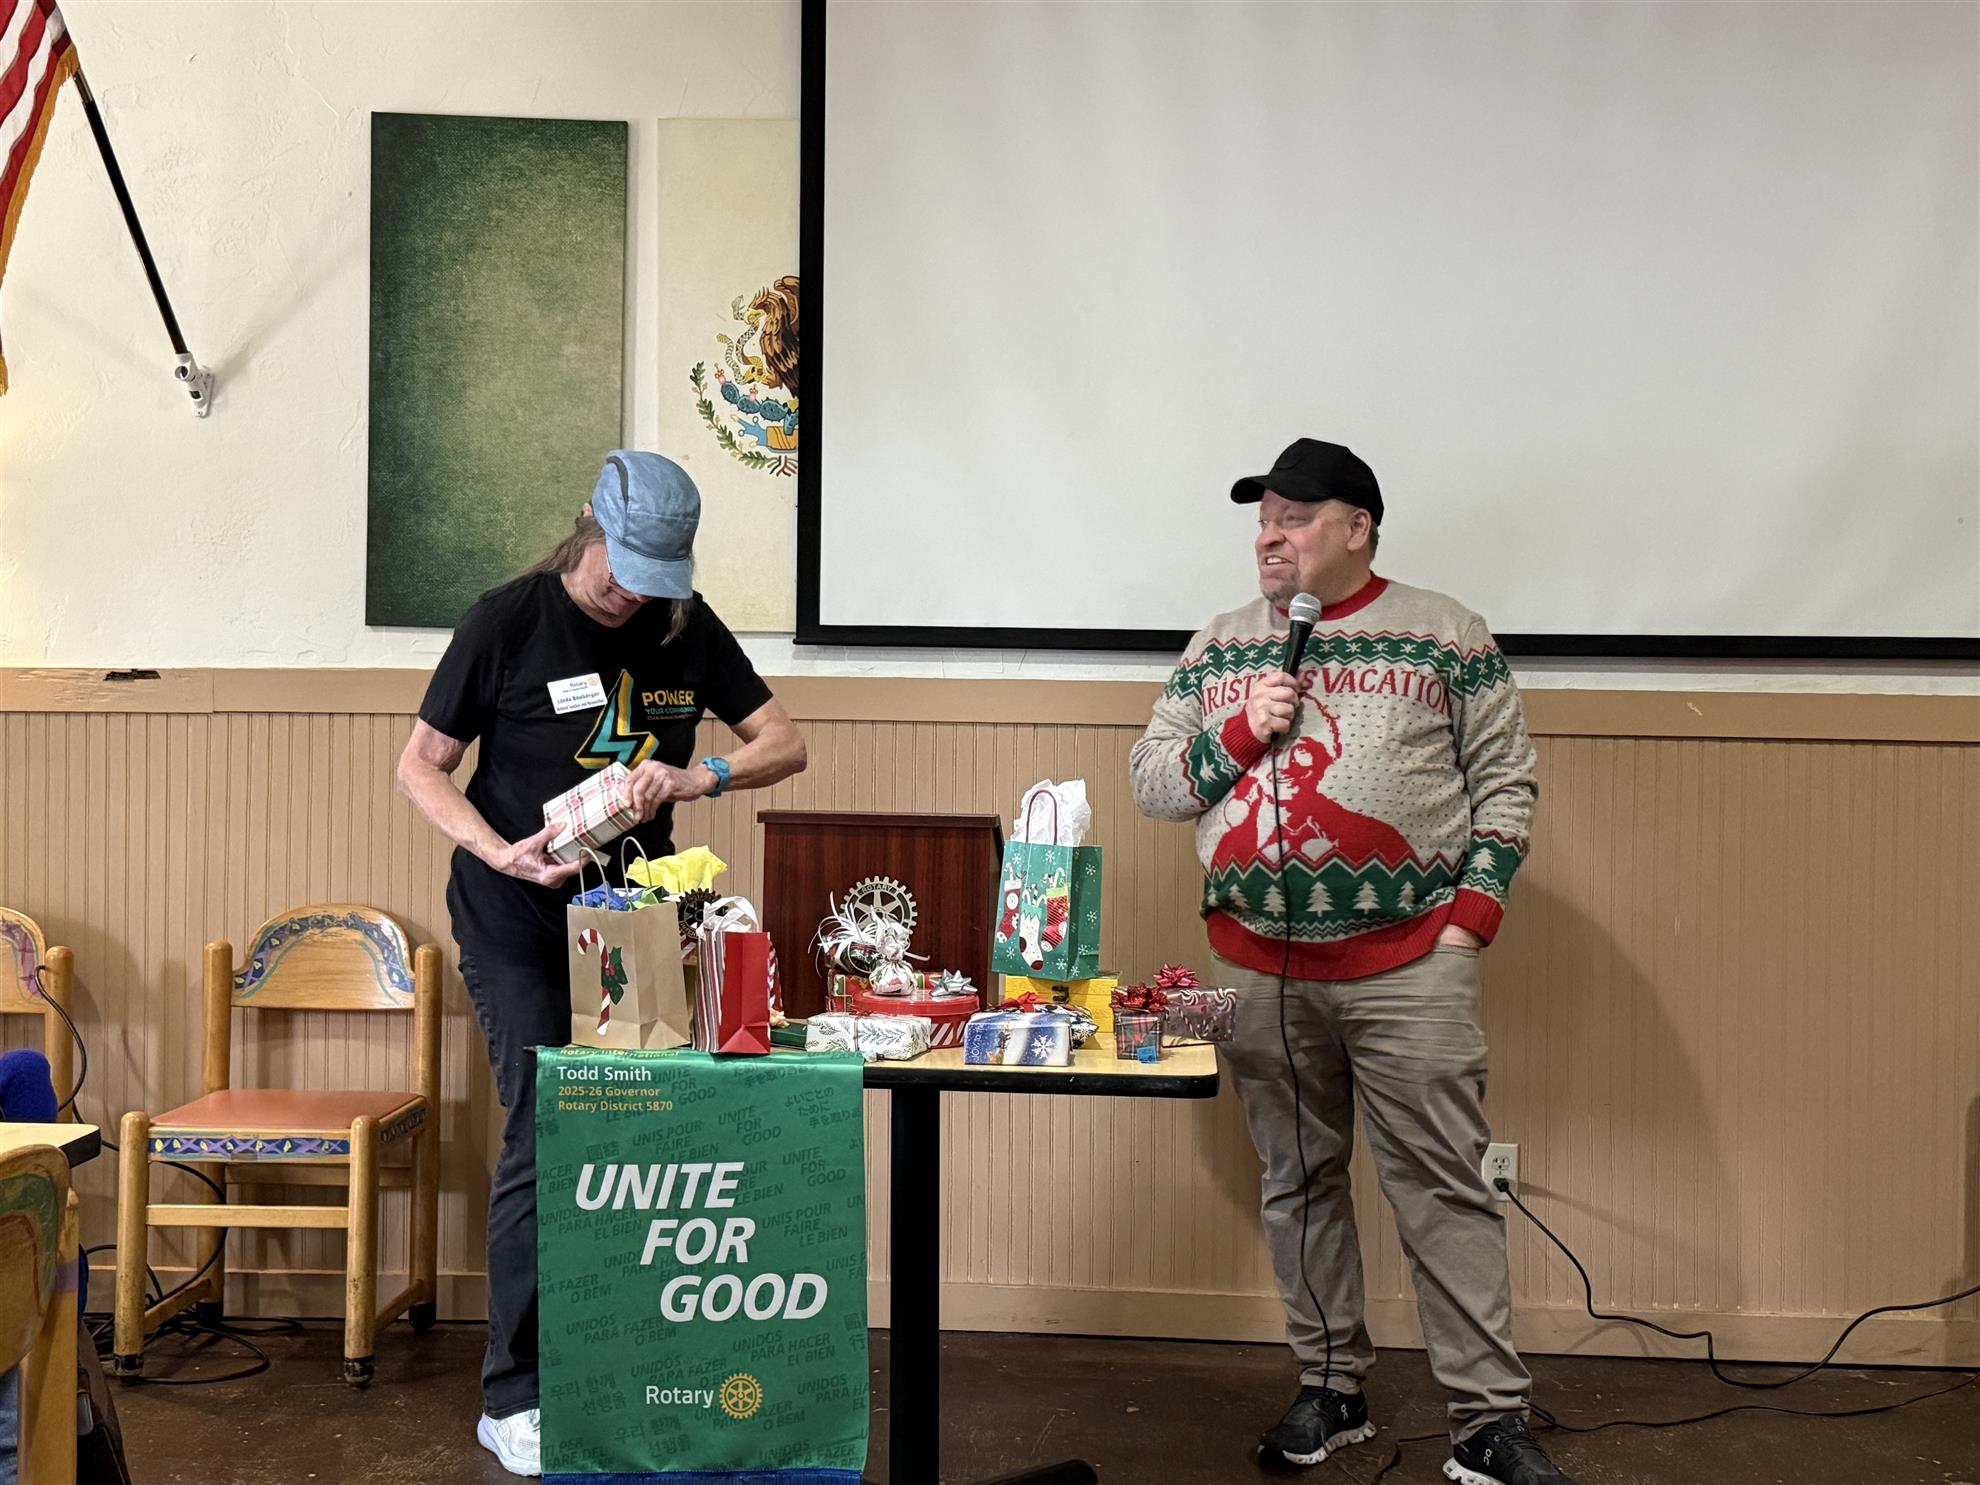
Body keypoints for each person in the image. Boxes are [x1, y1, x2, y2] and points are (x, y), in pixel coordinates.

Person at [1128, 439, 1572, 1485]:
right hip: (1259, 968)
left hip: (1412, 961)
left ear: (1357, 527)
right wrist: (1241, 732)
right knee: (1297, 1180)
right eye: (1261, 521)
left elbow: (1505, 782)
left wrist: (1469, 921)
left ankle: (1487, 1421)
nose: (1269, 539)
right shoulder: (1222, 645)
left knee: (1444, 1187)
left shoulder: (1445, 633)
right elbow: (1154, 783)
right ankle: (1331, 1387)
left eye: (1292, 518)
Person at [396, 450, 806, 1478]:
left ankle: (624, 1358)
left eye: (654, 578)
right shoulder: (506, 621)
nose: (633, 594)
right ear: (589, 524)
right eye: (623, 570)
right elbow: (420, 767)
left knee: (636, 1126)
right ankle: (514, 1394)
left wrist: (703, 774)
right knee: (546, 1122)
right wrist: (500, 852)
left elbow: (784, 742)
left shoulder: (682, 624)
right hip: (515, 910)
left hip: (631, 917)